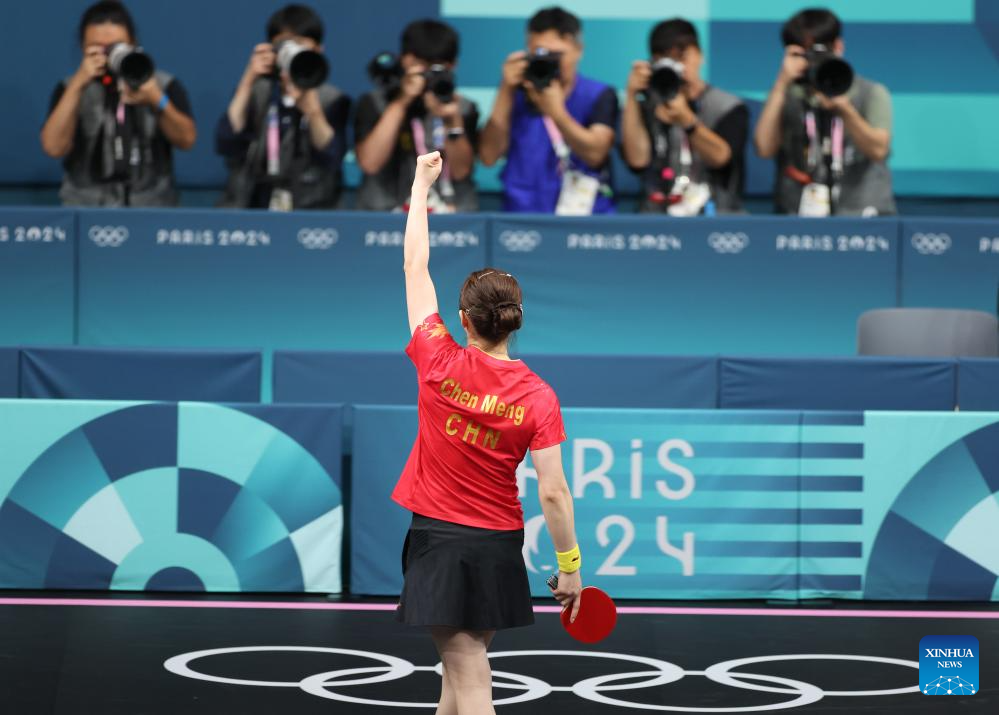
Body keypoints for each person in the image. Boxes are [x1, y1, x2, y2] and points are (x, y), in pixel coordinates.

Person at [394, 151, 583, 713]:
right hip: (499, 544)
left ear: (464, 319)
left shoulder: (437, 358)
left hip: (439, 543)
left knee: (470, 678)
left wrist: (421, 186)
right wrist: (570, 567)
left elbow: (415, 267)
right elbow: (554, 492)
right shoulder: (539, 395)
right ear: (514, 320)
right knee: (455, 679)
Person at [40, 1, 196, 206]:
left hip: (152, 204)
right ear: (83, 47)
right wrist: (77, 85)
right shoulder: (69, 87)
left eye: (116, 46)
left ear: (133, 43)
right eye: (97, 47)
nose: (108, 54)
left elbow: (187, 140)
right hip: (85, 205)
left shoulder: (161, 84)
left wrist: (157, 100)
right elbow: (53, 148)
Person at [754, 7, 895, 216]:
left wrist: (845, 109)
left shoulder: (870, 92)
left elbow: (879, 150)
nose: (813, 61)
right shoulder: (785, 95)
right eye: (805, 53)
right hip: (797, 215)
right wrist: (781, 84)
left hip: (863, 215)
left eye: (819, 52)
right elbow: (764, 149)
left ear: (838, 46)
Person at [479, 7, 618, 214]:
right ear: (528, 49)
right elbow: (488, 156)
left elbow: (596, 154)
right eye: (542, 53)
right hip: (522, 214)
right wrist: (505, 89)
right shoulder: (516, 92)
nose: (550, 62)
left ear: (578, 50)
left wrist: (556, 112)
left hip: (584, 215)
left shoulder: (598, 94)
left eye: (557, 55)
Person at [216, 4, 350, 210]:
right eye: (284, 45)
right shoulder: (257, 91)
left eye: (300, 44)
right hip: (252, 205)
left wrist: (312, 111)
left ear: (318, 49)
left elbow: (332, 157)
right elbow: (226, 142)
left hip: (313, 208)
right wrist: (247, 81)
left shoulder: (332, 98)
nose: (291, 52)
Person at [621, 19, 748, 214]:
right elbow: (637, 161)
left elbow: (721, 158)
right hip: (656, 217)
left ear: (700, 55)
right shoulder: (646, 106)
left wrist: (687, 120)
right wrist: (631, 96)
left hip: (715, 216)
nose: (677, 66)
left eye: (682, 57)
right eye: (666, 60)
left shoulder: (728, 106)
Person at [354, 20, 479, 212]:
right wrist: (402, 102)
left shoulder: (463, 108)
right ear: (406, 60)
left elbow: (461, 171)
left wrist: (452, 120)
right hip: (385, 216)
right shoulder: (375, 103)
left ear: (453, 65)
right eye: (423, 65)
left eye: (438, 67)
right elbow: (370, 163)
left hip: (450, 215)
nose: (430, 74)